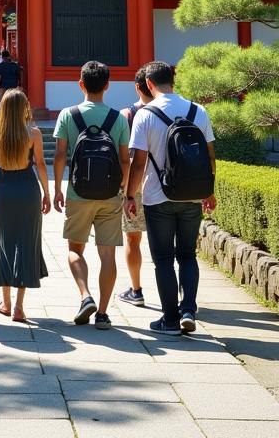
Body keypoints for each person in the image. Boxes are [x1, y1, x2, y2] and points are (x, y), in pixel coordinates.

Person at [127, 60, 216, 335]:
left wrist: (130, 195)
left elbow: (138, 162)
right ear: (173, 80)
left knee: (164, 258)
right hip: (192, 196)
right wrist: (209, 191)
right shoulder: (198, 111)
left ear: (150, 85)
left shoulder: (145, 114)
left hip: (158, 196)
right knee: (188, 254)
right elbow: (210, 157)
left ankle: (169, 320)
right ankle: (188, 308)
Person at [52, 60, 130, 330]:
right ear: (107, 85)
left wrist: (57, 188)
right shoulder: (118, 118)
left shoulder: (67, 115)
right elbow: (124, 160)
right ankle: (104, 314)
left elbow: (61, 154)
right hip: (110, 194)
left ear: (80, 84)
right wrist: (126, 192)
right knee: (107, 254)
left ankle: (85, 296)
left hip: (78, 192)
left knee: (75, 250)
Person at [0, 88, 50, 322]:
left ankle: (6, 302)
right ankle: (19, 307)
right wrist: (47, 192)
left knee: (4, 244)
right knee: (25, 244)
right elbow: (41, 164)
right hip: (27, 187)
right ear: (24, 107)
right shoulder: (33, 133)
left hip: (4, 187)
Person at [117, 67, 152, 307]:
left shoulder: (126, 114)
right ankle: (183, 298)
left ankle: (136, 289)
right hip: (167, 184)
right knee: (172, 243)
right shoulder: (179, 112)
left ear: (138, 87)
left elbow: (122, 155)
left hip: (135, 184)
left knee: (133, 239)